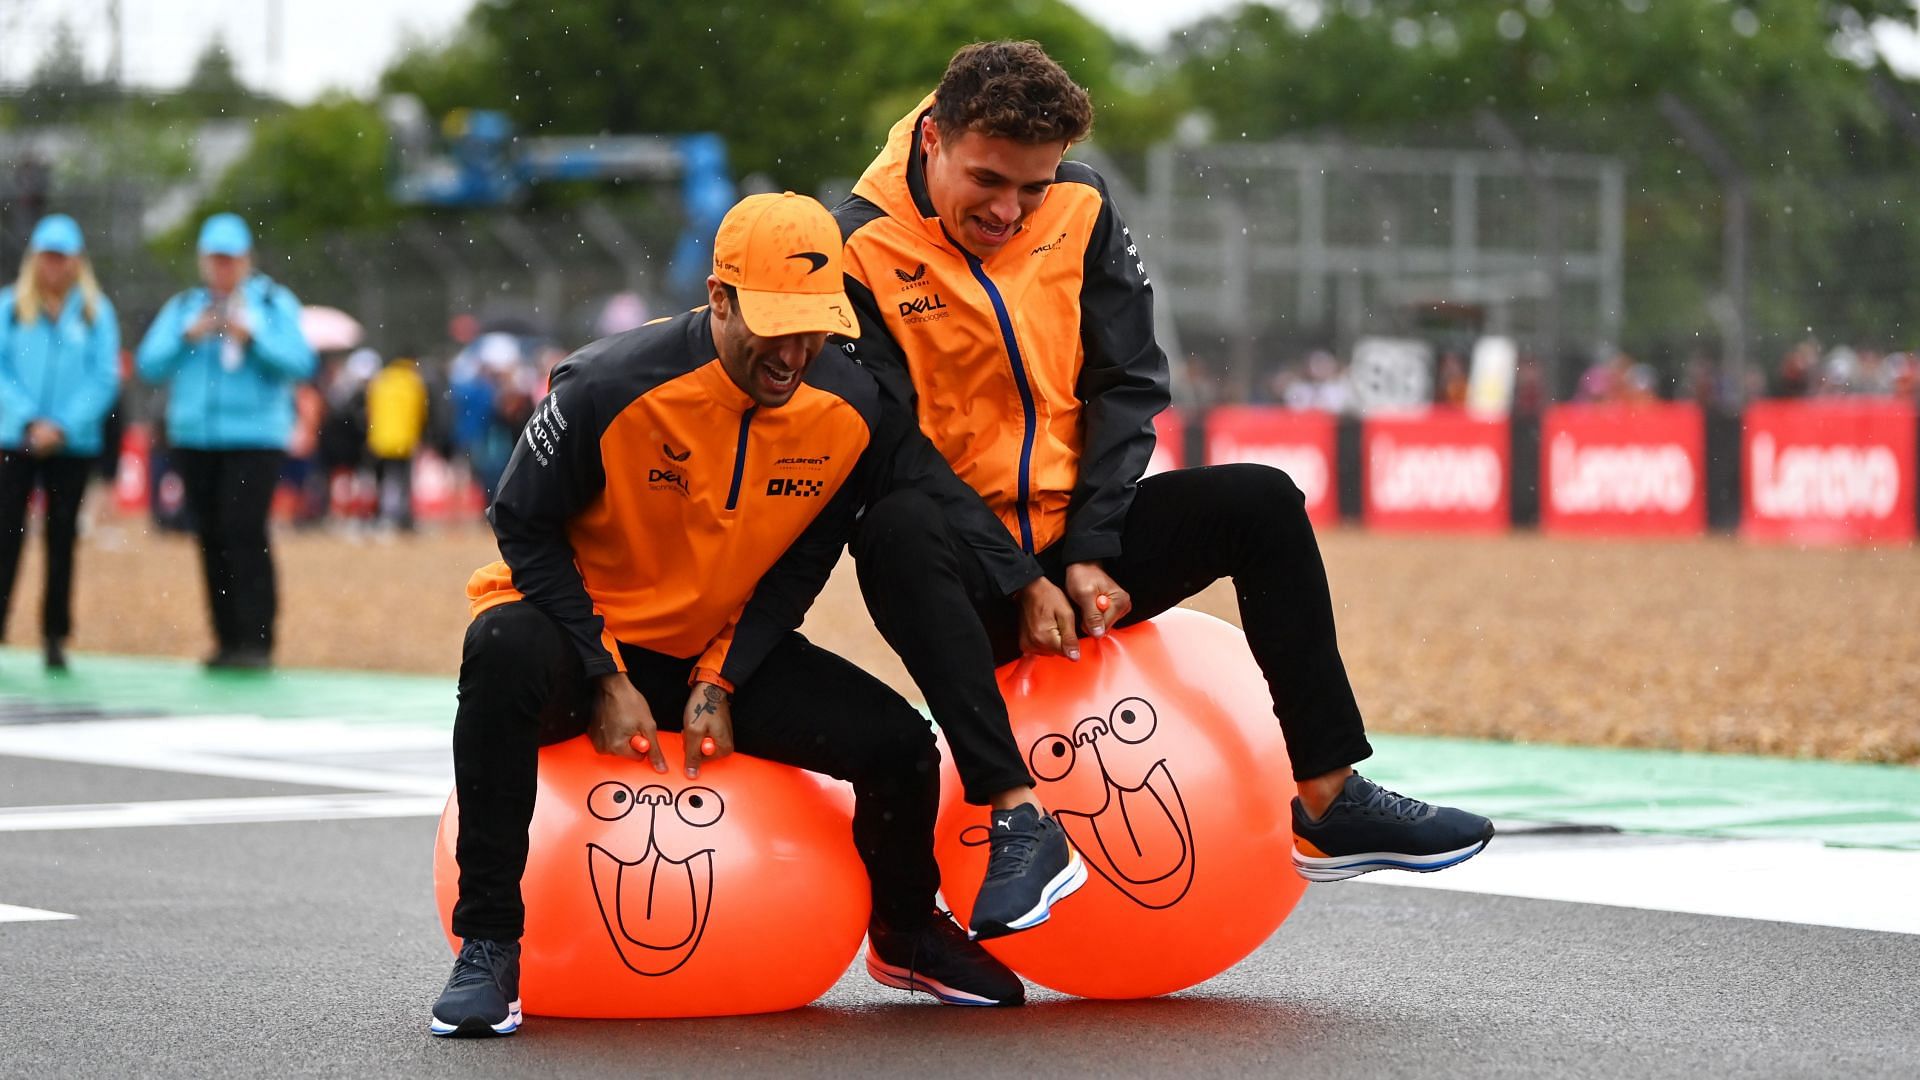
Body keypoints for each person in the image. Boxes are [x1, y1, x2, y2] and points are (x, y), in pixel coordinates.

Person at [834, 40, 1495, 941]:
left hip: (1078, 547)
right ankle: (1017, 818)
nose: (1009, 210)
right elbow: (895, 447)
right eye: (988, 181)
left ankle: (1329, 799)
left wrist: (1089, 550)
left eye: (1033, 187)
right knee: (893, 527)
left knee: (1262, 500)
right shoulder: (858, 245)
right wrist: (1023, 579)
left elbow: (1130, 380)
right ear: (935, 137)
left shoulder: (1084, 203)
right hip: (963, 576)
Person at [431, 192, 1032, 1038]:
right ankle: (489, 942)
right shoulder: (605, 384)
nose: (793, 352)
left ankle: (905, 931)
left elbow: (803, 561)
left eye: (814, 325)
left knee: (899, 743)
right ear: (718, 297)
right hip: (574, 638)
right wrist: (604, 673)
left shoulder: (851, 404)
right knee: (497, 647)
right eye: (773, 323)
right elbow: (522, 524)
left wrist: (723, 676)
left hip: (713, 652)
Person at [136, 213, 316, 669]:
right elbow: (149, 364)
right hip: (195, 437)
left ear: (246, 259)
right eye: (215, 259)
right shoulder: (184, 307)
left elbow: (300, 361)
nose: (223, 269)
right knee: (209, 535)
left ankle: (257, 640)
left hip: (255, 438)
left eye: (230, 259)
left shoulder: (272, 303)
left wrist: (253, 337)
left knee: (244, 531)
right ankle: (225, 639)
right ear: (203, 261)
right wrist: (187, 335)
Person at [0, 214, 122, 670]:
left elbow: (103, 377)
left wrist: (64, 425)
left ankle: (55, 634)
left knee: (62, 539)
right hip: (17, 438)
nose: (54, 267)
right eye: (47, 257)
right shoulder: (11, 308)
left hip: (72, 444)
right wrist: (29, 419)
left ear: (75, 262)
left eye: (61, 257)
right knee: (6, 536)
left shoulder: (94, 312)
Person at [364, 350, 429, 531]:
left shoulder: (381, 380)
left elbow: (370, 410)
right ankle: (404, 518)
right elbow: (420, 413)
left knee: (381, 480)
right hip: (404, 440)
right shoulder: (413, 382)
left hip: (380, 439)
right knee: (403, 481)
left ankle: (377, 516)